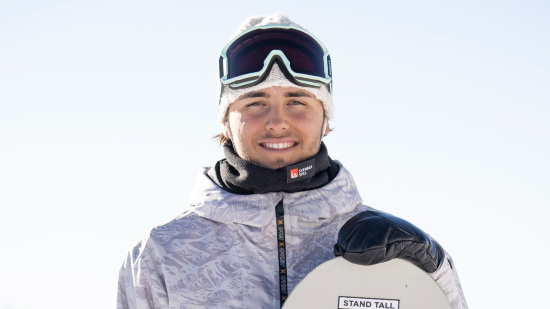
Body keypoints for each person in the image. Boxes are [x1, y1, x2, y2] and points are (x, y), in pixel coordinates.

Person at [117, 13, 468, 309]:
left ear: (326, 118)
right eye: (254, 102)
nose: (277, 121)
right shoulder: (161, 254)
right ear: (225, 119)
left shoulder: (395, 246)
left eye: (297, 101)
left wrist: (434, 269)